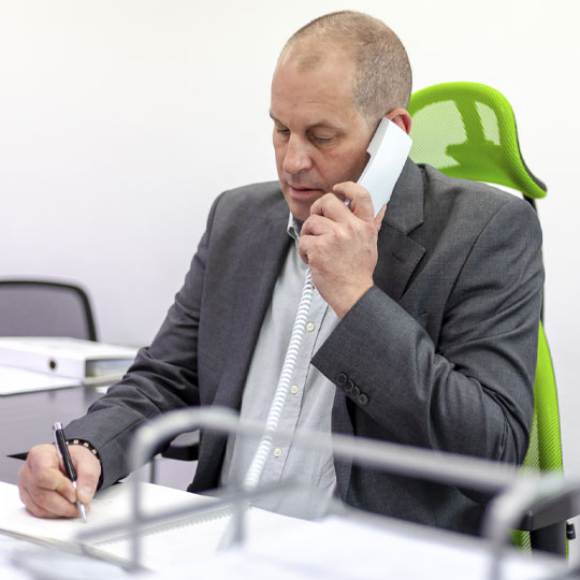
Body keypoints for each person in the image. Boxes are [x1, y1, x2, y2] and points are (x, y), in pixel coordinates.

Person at [18, 11, 543, 535]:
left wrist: (356, 298)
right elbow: (167, 377)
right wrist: (86, 449)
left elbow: (493, 453)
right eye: (281, 129)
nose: (292, 162)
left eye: (322, 136)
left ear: (393, 135)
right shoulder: (237, 218)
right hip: (216, 539)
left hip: (367, 554)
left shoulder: (486, 231)